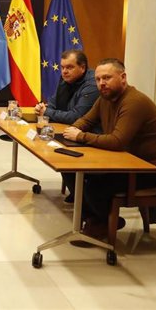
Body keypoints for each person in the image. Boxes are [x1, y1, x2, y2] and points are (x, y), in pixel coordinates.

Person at [62, 58, 156, 241]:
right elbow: (86, 120)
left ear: (123, 77)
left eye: (107, 78)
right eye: (98, 79)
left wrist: (80, 136)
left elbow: (118, 141)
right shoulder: (106, 97)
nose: (101, 83)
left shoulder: (134, 102)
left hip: (147, 170)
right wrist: (74, 129)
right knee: (70, 170)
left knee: (94, 185)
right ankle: (97, 218)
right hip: (123, 162)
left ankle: (103, 222)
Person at [34, 49, 99, 202]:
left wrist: (47, 112)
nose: (64, 71)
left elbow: (76, 116)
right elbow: (54, 105)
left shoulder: (92, 85)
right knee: (57, 149)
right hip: (70, 129)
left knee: (63, 151)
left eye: (69, 67)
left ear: (82, 68)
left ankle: (84, 199)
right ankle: (78, 194)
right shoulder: (64, 80)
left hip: (91, 132)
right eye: (62, 67)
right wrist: (44, 109)